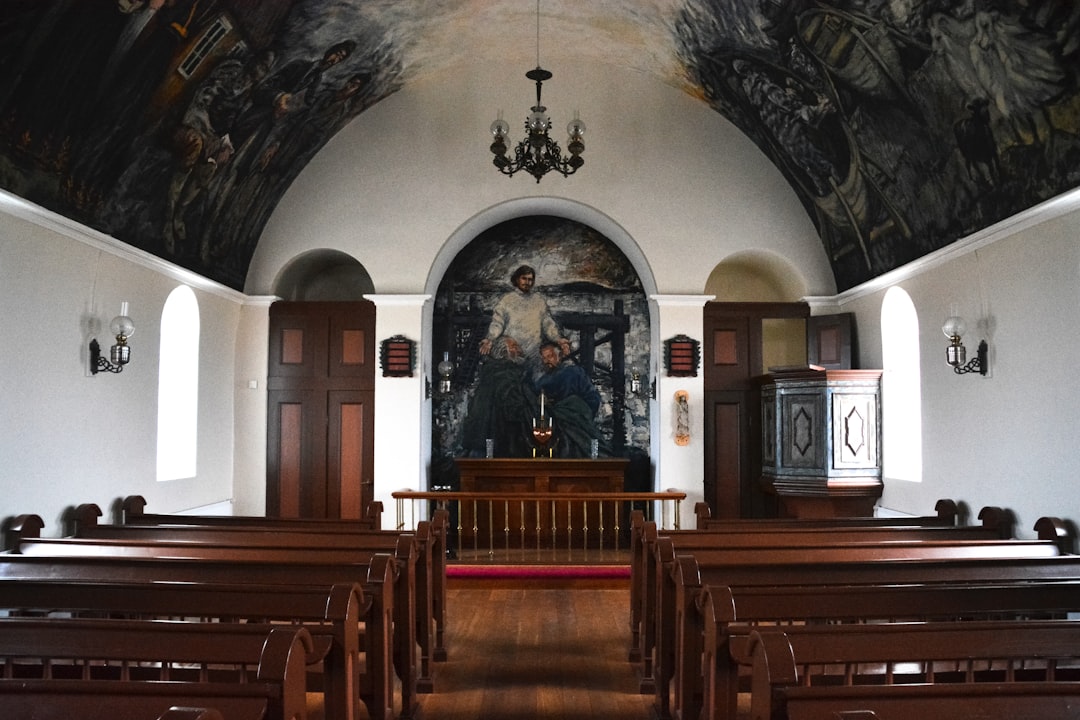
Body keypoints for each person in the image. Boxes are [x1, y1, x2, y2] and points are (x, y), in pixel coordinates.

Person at [479, 265, 570, 374]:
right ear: (517, 279)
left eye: (530, 279)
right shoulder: (507, 300)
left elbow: (548, 324)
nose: (527, 282)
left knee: (534, 384)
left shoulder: (539, 300)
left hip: (534, 352)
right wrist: (490, 338)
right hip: (513, 353)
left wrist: (558, 339)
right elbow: (497, 323)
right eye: (524, 278)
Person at [461, 335, 535, 458]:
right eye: (514, 346)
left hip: (483, 438)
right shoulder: (505, 374)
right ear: (503, 351)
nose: (519, 350)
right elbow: (512, 408)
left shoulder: (493, 371)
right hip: (495, 437)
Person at [534, 342, 607, 458]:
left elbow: (593, 398)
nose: (546, 361)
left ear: (560, 356)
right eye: (544, 358)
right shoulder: (543, 380)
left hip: (576, 419)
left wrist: (577, 409)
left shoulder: (574, 372)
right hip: (554, 424)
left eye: (550, 356)